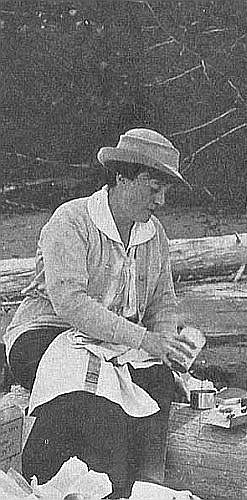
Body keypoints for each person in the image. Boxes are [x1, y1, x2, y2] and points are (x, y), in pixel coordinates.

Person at [4, 128, 198, 499]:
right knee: (96, 398)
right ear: (121, 177)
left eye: (165, 190)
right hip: (46, 332)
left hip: (112, 341)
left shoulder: (153, 234)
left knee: (157, 381)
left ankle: (141, 485)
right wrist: (144, 339)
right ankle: (58, 477)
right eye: (152, 186)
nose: (161, 200)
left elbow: (163, 300)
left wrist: (167, 342)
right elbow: (71, 303)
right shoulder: (72, 221)